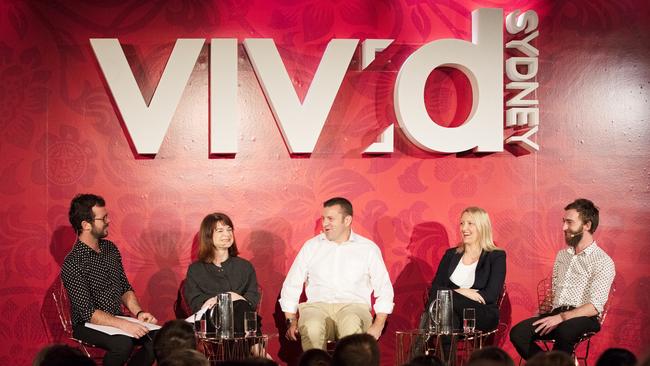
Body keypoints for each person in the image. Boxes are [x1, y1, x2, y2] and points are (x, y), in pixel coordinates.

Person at [280, 197, 394, 351]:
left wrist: (378, 326)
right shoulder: (312, 246)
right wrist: (291, 321)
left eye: (330, 219)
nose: (325, 223)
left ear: (347, 220)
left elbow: (384, 289)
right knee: (311, 325)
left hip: (354, 306)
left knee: (351, 323)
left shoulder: (368, 249)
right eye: (323, 218)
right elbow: (291, 285)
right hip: (317, 307)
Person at [509, 199, 615, 360]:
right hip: (557, 313)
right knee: (519, 333)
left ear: (587, 225)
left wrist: (561, 318)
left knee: (565, 330)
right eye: (563, 222)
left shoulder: (602, 261)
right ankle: (550, 364)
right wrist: (540, 314)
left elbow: (594, 306)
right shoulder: (562, 255)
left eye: (569, 222)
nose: (563, 227)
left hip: (584, 317)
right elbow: (555, 291)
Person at [60, 194, 158, 366]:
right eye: (103, 217)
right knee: (123, 343)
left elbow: (125, 288)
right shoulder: (73, 262)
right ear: (86, 225)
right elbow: (87, 312)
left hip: (116, 318)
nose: (109, 220)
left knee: (157, 338)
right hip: (86, 325)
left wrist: (139, 314)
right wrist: (124, 325)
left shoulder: (110, 249)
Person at [423, 207, 506, 333]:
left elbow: (490, 295)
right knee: (449, 315)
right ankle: (447, 353)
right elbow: (435, 288)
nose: (464, 228)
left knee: (444, 299)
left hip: (482, 313)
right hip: (450, 314)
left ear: (482, 227)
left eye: (470, 223)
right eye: (462, 223)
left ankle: (420, 346)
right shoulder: (451, 255)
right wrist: (462, 292)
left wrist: (451, 295)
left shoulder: (496, 256)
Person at [184, 212, 261, 336]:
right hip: (210, 323)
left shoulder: (245, 266)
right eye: (220, 231)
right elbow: (194, 300)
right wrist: (220, 300)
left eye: (229, 229)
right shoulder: (196, 269)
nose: (227, 234)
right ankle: (256, 348)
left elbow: (252, 298)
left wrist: (233, 298)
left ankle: (252, 346)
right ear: (208, 235)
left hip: (242, 320)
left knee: (241, 307)